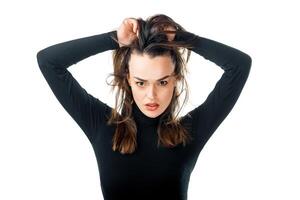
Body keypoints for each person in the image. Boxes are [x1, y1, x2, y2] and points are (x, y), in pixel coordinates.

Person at [36, 14, 251, 200]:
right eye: (141, 82)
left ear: (175, 79)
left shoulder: (189, 133)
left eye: (162, 82)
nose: (151, 95)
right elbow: (48, 61)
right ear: (128, 79)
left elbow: (240, 65)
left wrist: (181, 39)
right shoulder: (103, 126)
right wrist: (114, 39)